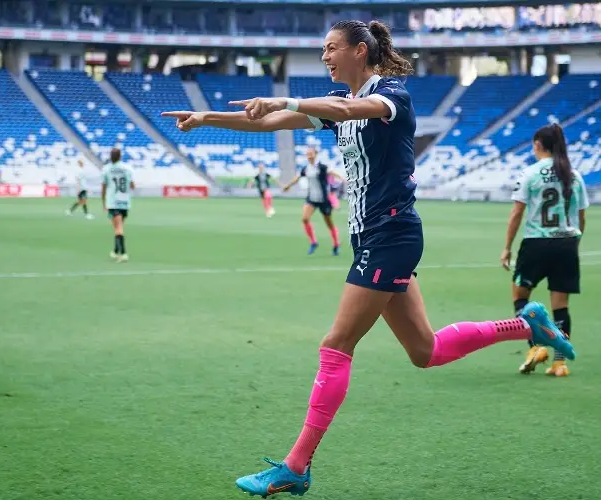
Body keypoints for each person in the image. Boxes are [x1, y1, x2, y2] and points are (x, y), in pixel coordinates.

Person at [162, 20, 575, 497]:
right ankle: (530, 325)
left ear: (361, 50)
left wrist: (288, 99)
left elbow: (343, 106)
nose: (324, 56)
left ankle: (297, 466)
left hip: (391, 235)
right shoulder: (342, 109)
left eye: (332, 48)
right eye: (322, 49)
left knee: (335, 345)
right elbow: (271, 121)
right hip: (373, 239)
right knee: (426, 351)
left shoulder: (391, 97)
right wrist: (206, 118)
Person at [501, 123, 588, 377]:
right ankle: (560, 362)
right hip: (567, 243)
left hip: (537, 243)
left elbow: (517, 213)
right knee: (561, 306)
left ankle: (536, 346)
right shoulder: (574, 175)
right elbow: (581, 217)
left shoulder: (530, 173)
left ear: (538, 145)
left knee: (520, 296)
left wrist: (507, 247)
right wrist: (574, 243)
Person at [282, 147, 344, 255]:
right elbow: (297, 177)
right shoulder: (306, 168)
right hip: (311, 198)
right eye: (307, 154)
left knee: (329, 223)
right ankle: (313, 242)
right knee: (305, 219)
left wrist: (344, 179)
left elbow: (332, 172)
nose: (309, 156)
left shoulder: (322, 167)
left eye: (311, 154)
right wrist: (288, 186)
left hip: (323, 199)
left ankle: (336, 244)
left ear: (315, 154)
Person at [101, 147, 135, 263]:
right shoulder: (127, 168)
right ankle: (115, 251)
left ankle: (123, 253)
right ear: (120, 156)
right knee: (119, 227)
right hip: (125, 202)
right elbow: (132, 185)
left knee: (118, 229)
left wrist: (103, 203)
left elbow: (104, 187)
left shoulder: (106, 169)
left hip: (113, 201)